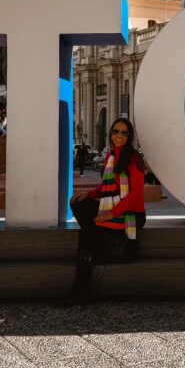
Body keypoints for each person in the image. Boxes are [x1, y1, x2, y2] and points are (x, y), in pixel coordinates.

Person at [61, 117, 145, 305]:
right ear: (110, 134)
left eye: (124, 132)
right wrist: (88, 194)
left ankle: (79, 292)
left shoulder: (134, 158)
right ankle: (100, 246)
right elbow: (106, 187)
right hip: (113, 208)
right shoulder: (110, 157)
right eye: (115, 131)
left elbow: (136, 194)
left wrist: (111, 214)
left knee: (88, 232)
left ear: (129, 136)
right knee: (77, 203)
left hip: (132, 214)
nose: (119, 135)